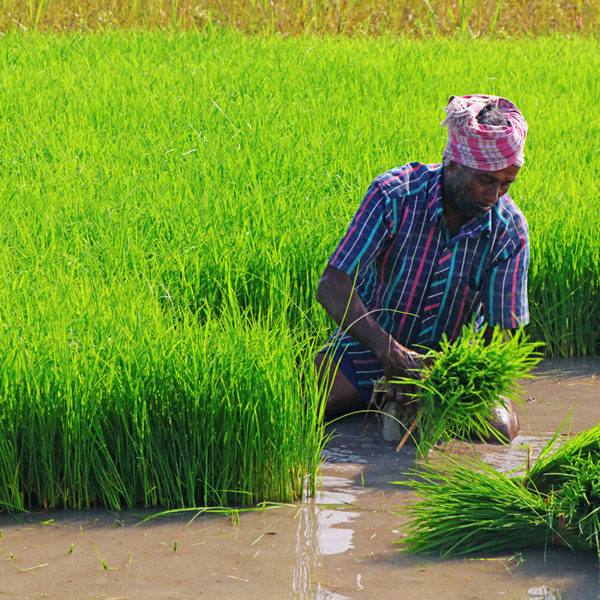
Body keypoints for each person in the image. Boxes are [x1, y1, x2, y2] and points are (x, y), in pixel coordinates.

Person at [315, 94, 529, 441]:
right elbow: (332, 284)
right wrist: (391, 354)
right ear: (452, 164)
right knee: (302, 403)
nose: (494, 196)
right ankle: (375, 398)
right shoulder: (394, 196)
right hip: (369, 349)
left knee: (500, 432)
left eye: (506, 184)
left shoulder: (509, 230)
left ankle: (401, 408)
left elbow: (502, 330)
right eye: (485, 181)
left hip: (447, 368)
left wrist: (455, 383)